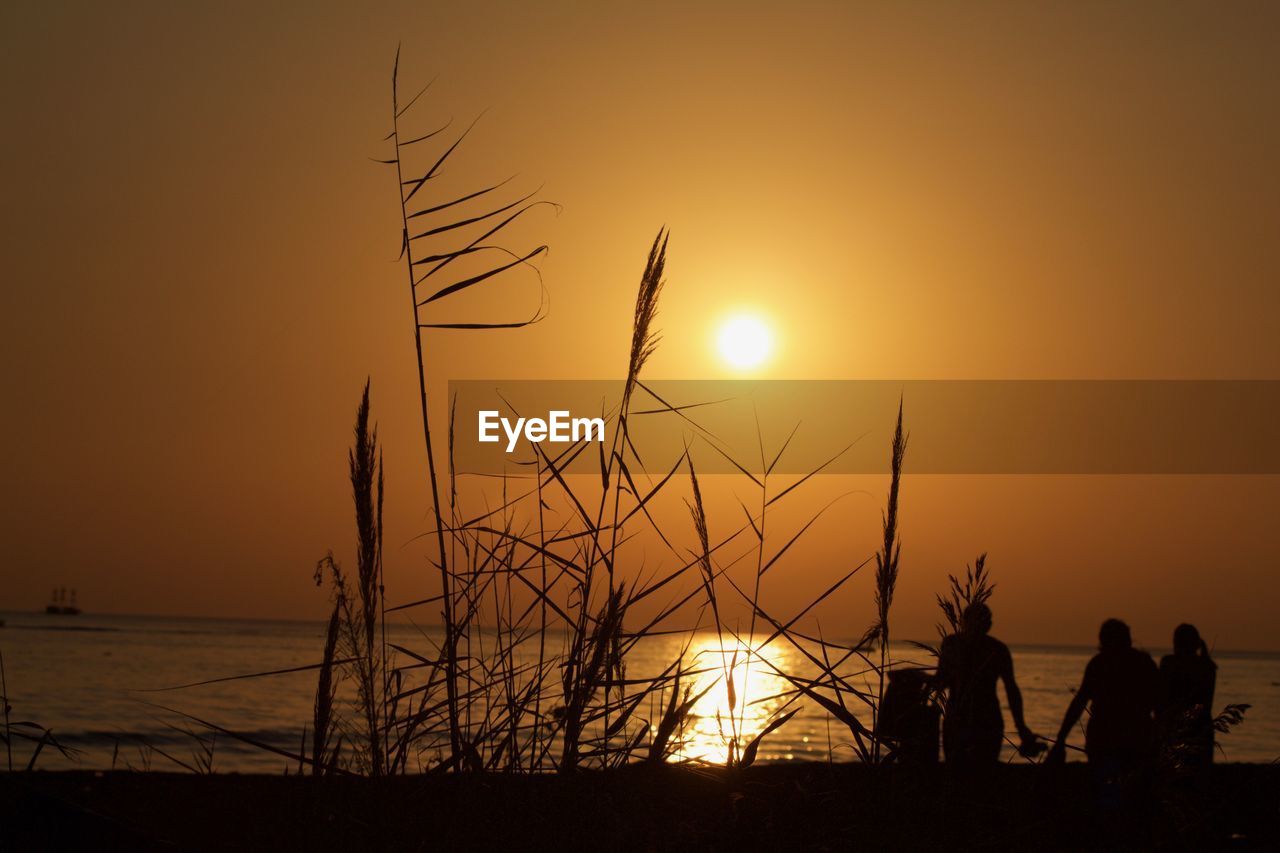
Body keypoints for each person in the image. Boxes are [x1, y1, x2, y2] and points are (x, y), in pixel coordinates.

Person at [1047, 618, 1160, 773]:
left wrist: (1061, 739)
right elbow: (1159, 704)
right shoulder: (1141, 663)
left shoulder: (1100, 664)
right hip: (1129, 739)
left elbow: (1080, 702)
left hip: (1115, 739)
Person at [936, 602, 1038, 768]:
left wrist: (1021, 727)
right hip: (961, 718)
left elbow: (1011, 690)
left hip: (983, 719)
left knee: (975, 771)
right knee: (962, 771)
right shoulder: (956, 645)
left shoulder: (995, 649)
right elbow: (942, 680)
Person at [1158, 623, 1217, 769]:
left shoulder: (1169, 663)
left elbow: (1161, 696)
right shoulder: (1208, 666)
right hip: (1202, 727)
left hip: (1174, 726)